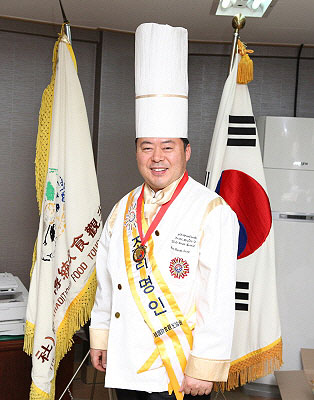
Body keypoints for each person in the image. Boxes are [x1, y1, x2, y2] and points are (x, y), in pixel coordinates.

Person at [89, 23, 239, 400]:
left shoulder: (211, 209)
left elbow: (218, 296)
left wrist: (204, 364)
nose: (157, 158)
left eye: (168, 147)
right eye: (146, 147)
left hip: (179, 366)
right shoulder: (122, 208)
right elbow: (107, 282)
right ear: (136, 151)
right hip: (124, 360)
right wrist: (101, 335)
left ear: (187, 152)